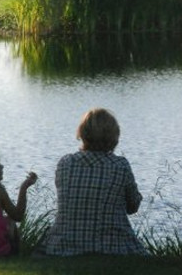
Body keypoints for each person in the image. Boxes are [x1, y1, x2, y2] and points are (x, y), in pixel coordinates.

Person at [38, 108, 146, 256]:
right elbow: (133, 207)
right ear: (114, 136)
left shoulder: (65, 163)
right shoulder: (119, 165)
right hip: (112, 247)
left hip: (63, 246)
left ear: (82, 134)